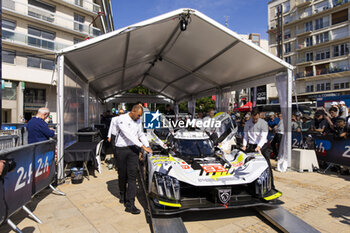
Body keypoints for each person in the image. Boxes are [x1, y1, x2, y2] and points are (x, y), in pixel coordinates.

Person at [114, 105, 152, 214]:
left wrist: (147, 145)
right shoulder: (121, 119)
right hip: (121, 149)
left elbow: (140, 134)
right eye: (138, 115)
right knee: (122, 175)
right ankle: (122, 193)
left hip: (133, 150)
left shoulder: (138, 120)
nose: (139, 118)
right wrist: (142, 146)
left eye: (141, 116)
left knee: (132, 176)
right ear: (133, 111)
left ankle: (130, 204)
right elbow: (128, 134)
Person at [241, 108, 274, 187]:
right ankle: (251, 185)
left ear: (259, 115)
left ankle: (271, 185)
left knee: (267, 166)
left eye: (256, 118)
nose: (254, 120)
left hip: (262, 146)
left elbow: (263, 136)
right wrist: (244, 145)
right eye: (253, 118)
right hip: (252, 145)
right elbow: (245, 136)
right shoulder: (248, 123)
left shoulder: (263, 123)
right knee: (250, 166)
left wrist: (259, 146)